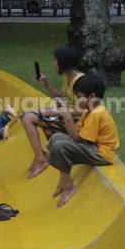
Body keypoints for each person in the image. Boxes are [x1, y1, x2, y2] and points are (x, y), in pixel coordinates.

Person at [27, 75, 119, 208]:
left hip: (102, 153)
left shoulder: (97, 114)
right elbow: (76, 134)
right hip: (91, 146)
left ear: (91, 97)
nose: (75, 99)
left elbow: (77, 139)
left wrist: (67, 117)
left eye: (79, 96)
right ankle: (63, 180)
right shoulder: (89, 111)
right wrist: (63, 113)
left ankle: (68, 185)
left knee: (60, 146)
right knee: (56, 138)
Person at [23, 46, 85, 178]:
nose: (53, 63)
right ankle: (40, 156)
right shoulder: (68, 77)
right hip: (65, 117)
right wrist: (46, 85)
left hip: (75, 124)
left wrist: (56, 113)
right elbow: (62, 98)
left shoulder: (80, 81)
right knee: (27, 116)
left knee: (28, 118)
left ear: (63, 61)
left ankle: (41, 159)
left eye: (55, 60)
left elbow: (85, 110)